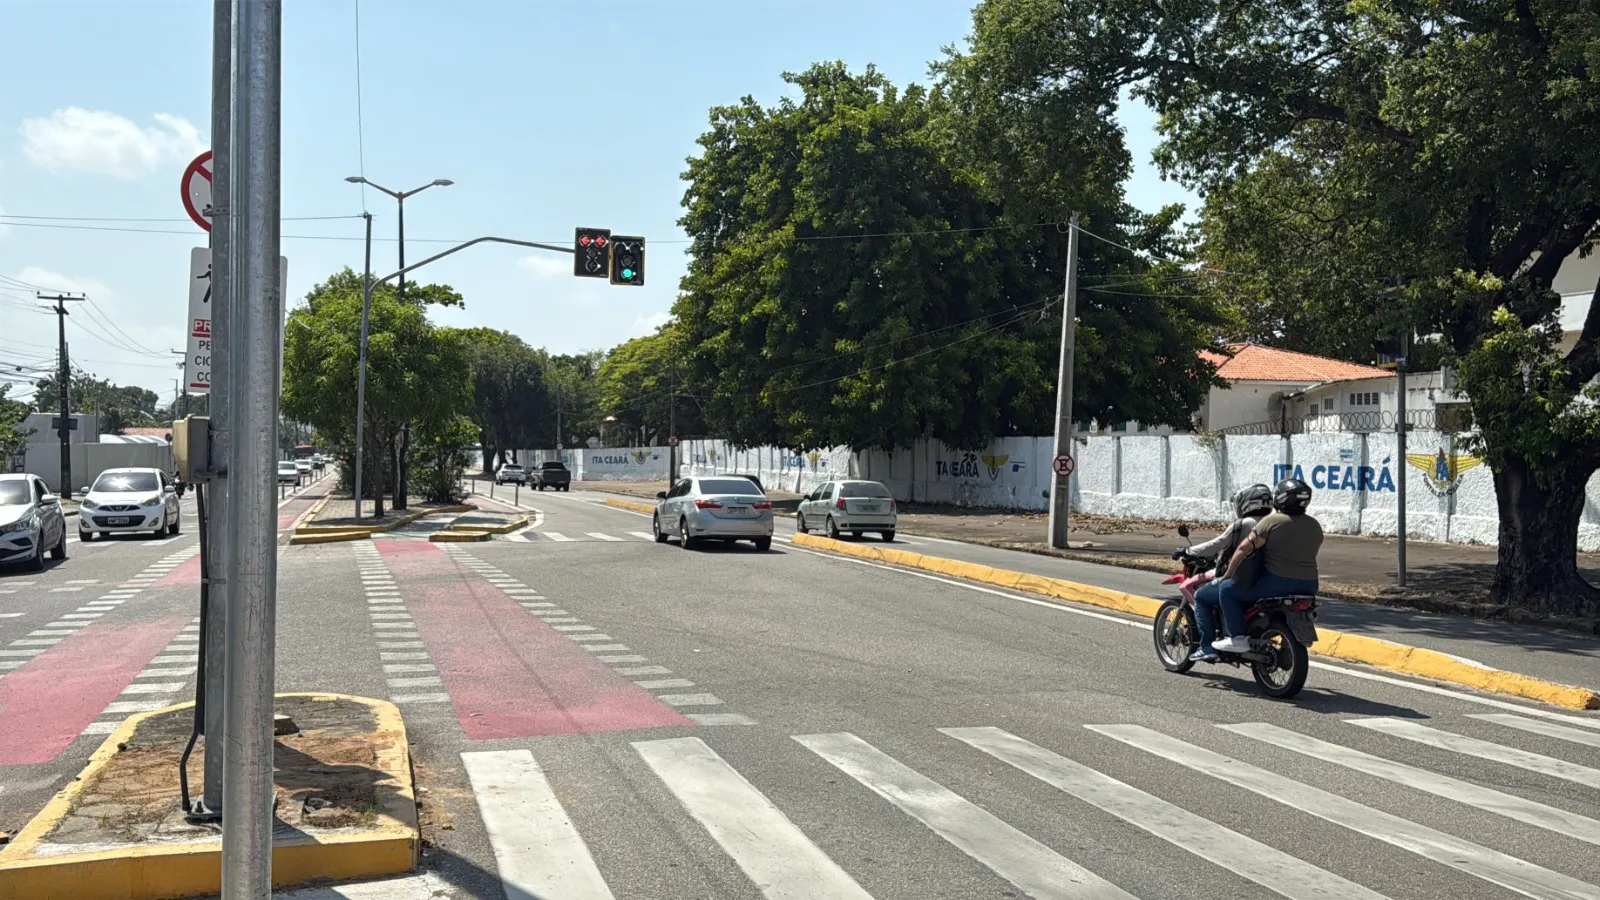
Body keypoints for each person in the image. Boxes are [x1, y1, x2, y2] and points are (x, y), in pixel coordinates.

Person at [1198, 478, 1322, 657]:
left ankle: (1237, 638)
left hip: (1277, 583)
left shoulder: (1271, 521)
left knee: (1226, 589)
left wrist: (1228, 574)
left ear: (1280, 499)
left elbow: (1243, 548)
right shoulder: (1314, 525)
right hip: (1309, 585)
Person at [1174, 483, 1273, 606]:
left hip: (1241, 576)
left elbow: (1216, 544)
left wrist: (1188, 551)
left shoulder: (1242, 524)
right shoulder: (1274, 522)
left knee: (1200, 597)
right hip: (1267, 577)